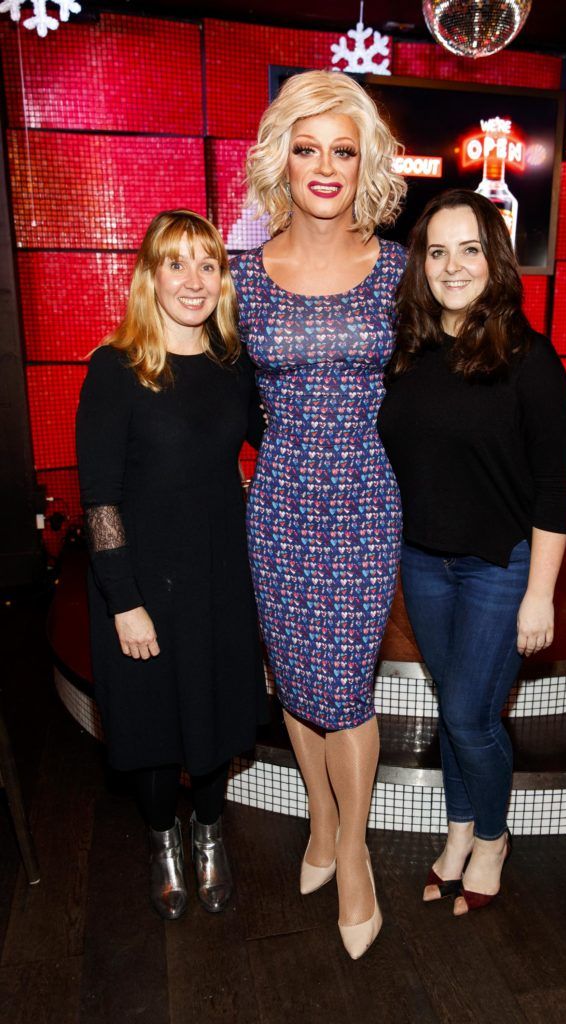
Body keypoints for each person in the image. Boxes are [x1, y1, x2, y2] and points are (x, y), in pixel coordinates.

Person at [230, 70, 406, 958]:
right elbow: (194, 395)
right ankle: (318, 814)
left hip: (365, 503)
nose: (325, 166)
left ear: (364, 160)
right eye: (308, 149)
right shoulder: (239, 277)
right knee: (295, 678)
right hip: (280, 505)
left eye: (343, 149)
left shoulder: (402, 269)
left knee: (345, 686)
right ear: (283, 160)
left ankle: (356, 853)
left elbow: (453, 384)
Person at [378, 189, 566, 914]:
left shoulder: (530, 361)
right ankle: (458, 830)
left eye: (468, 249)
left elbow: (554, 493)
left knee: (465, 716)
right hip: (423, 564)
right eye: (436, 251)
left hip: (500, 567)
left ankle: (491, 836)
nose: (451, 266)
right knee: (462, 711)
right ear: (420, 264)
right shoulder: (406, 353)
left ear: (494, 260)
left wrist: (538, 595)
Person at [76, 210, 267, 920]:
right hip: (141, 585)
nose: (193, 280)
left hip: (219, 577)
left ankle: (210, 832)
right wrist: (123, 599)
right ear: (149, 276)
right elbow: (99, 499)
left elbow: (277, 443)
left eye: (207, 264)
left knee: (214, 716)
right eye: (176, 263)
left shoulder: (233, 364)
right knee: (154, 729)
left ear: (223, 279)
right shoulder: (115, 367)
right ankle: (163, 841)